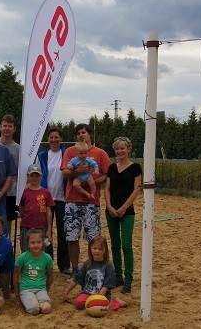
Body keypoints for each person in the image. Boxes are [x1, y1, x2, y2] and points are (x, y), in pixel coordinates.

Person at [61, 123, 111, 280]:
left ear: (90, 134)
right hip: (72, 199)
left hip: (92, 201)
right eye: (78, 133)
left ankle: (94, 267)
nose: (81, 135)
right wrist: (77, 172)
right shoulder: (70, 151)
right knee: (71, 236)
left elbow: (106, 174)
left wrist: (91, 182)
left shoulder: (100, 153)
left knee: (94, 237)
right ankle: (75, 269)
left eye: (83, 132)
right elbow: (65, 173)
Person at [104, 137, 142, 294]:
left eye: (122, 148)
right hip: (111, 211)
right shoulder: (112, 168)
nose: (120, 151)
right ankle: (118, 276)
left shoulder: (135, 168)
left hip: (127, 212)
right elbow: (106, 189)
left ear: (128, 149)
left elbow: (137, 189)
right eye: (117, 149)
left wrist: (125, 207)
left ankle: (128, 279)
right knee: (114, 245)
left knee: (126, 246)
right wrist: (109, 206)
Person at [37, 127, 70, 275]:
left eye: (56, 137)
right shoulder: (43, 155)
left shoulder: (67, 154)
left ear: (60, 138)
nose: (53, 139)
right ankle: (47, 262)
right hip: (46, 199)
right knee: (46, 232)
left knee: (63, 232)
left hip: (63, 198)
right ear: (48, 139)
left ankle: (64, 265)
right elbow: (36, 174)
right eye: (51, 137)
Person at [63, 236, 128, 311]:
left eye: (100, 249)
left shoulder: (108, 266)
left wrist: (98, 297)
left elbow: (106, 286)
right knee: (79, 303)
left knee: (100, 307)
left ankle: (117, 302)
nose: (97, 251)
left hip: (102, 294)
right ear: (90, 249)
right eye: (95, 248)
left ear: (105, 251)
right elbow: (77, 279)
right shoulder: (88, 263)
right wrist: (67, 290)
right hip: (87, 292)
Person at [13, 229, 54, 315]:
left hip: (41, 289)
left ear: (43, 243)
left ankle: (36, 300)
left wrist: (46, 290)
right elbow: (16, 276)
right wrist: (17, 295)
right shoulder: (22, 258)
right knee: (34, 309)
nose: (36, 245)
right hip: (26, 289)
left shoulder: (47, 258)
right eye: (32, 242)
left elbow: (50, 276)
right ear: (28, 244)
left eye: (39, 242)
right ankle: (28, 301)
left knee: (46, 308)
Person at [18, 164, 54, 255]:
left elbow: (49, 211)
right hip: (26, 226)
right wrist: (25, 217)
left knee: (41, 250)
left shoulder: (46, 192)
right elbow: (21, 207)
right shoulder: (24, 192)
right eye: (32, 176)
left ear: (41, 176)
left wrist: (49, 230)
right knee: (26, 249)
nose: (34, 178)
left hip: (41, 226)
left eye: (37, 176)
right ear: (28, 176)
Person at [0, 114, 20, 238]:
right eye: (5, 125)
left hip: (11, 192)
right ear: (0, 127)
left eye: (10, 126)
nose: (7, 128)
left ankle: (5, 243)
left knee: (7, 222)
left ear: (14, 129)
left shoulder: (18, 148)